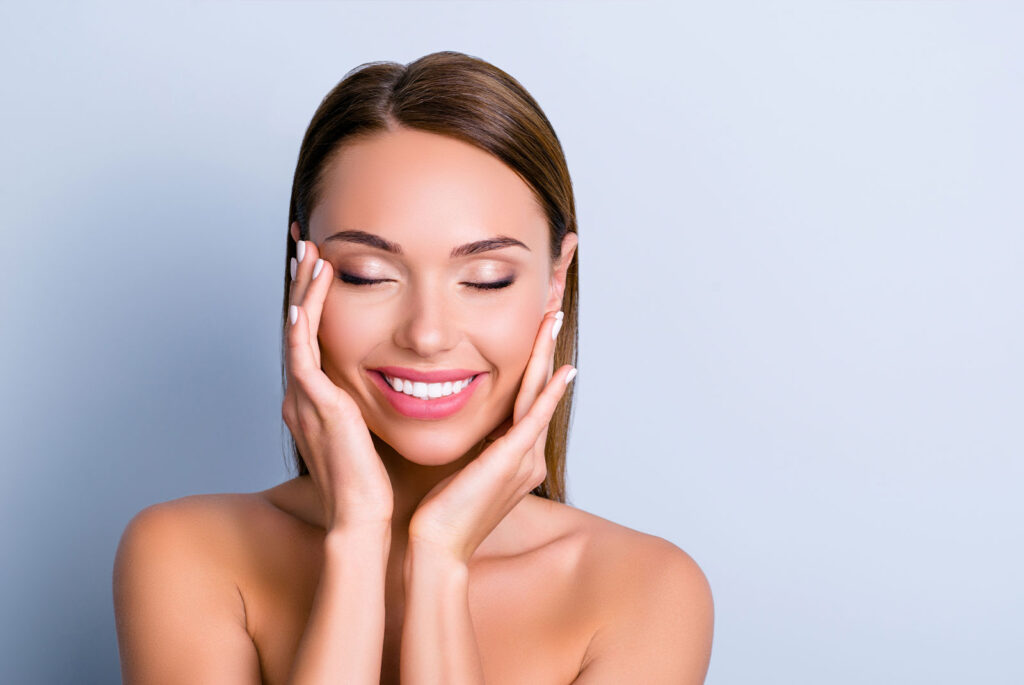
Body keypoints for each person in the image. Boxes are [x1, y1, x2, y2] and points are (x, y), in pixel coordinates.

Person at [112, 50, 713, 684]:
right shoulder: (184, 554)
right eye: (367, 275)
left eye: (484, 280)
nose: (426, 335)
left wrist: (441, 559)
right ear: (302, 273)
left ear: (555, 281)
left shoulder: (647, 592)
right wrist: (357, 539)